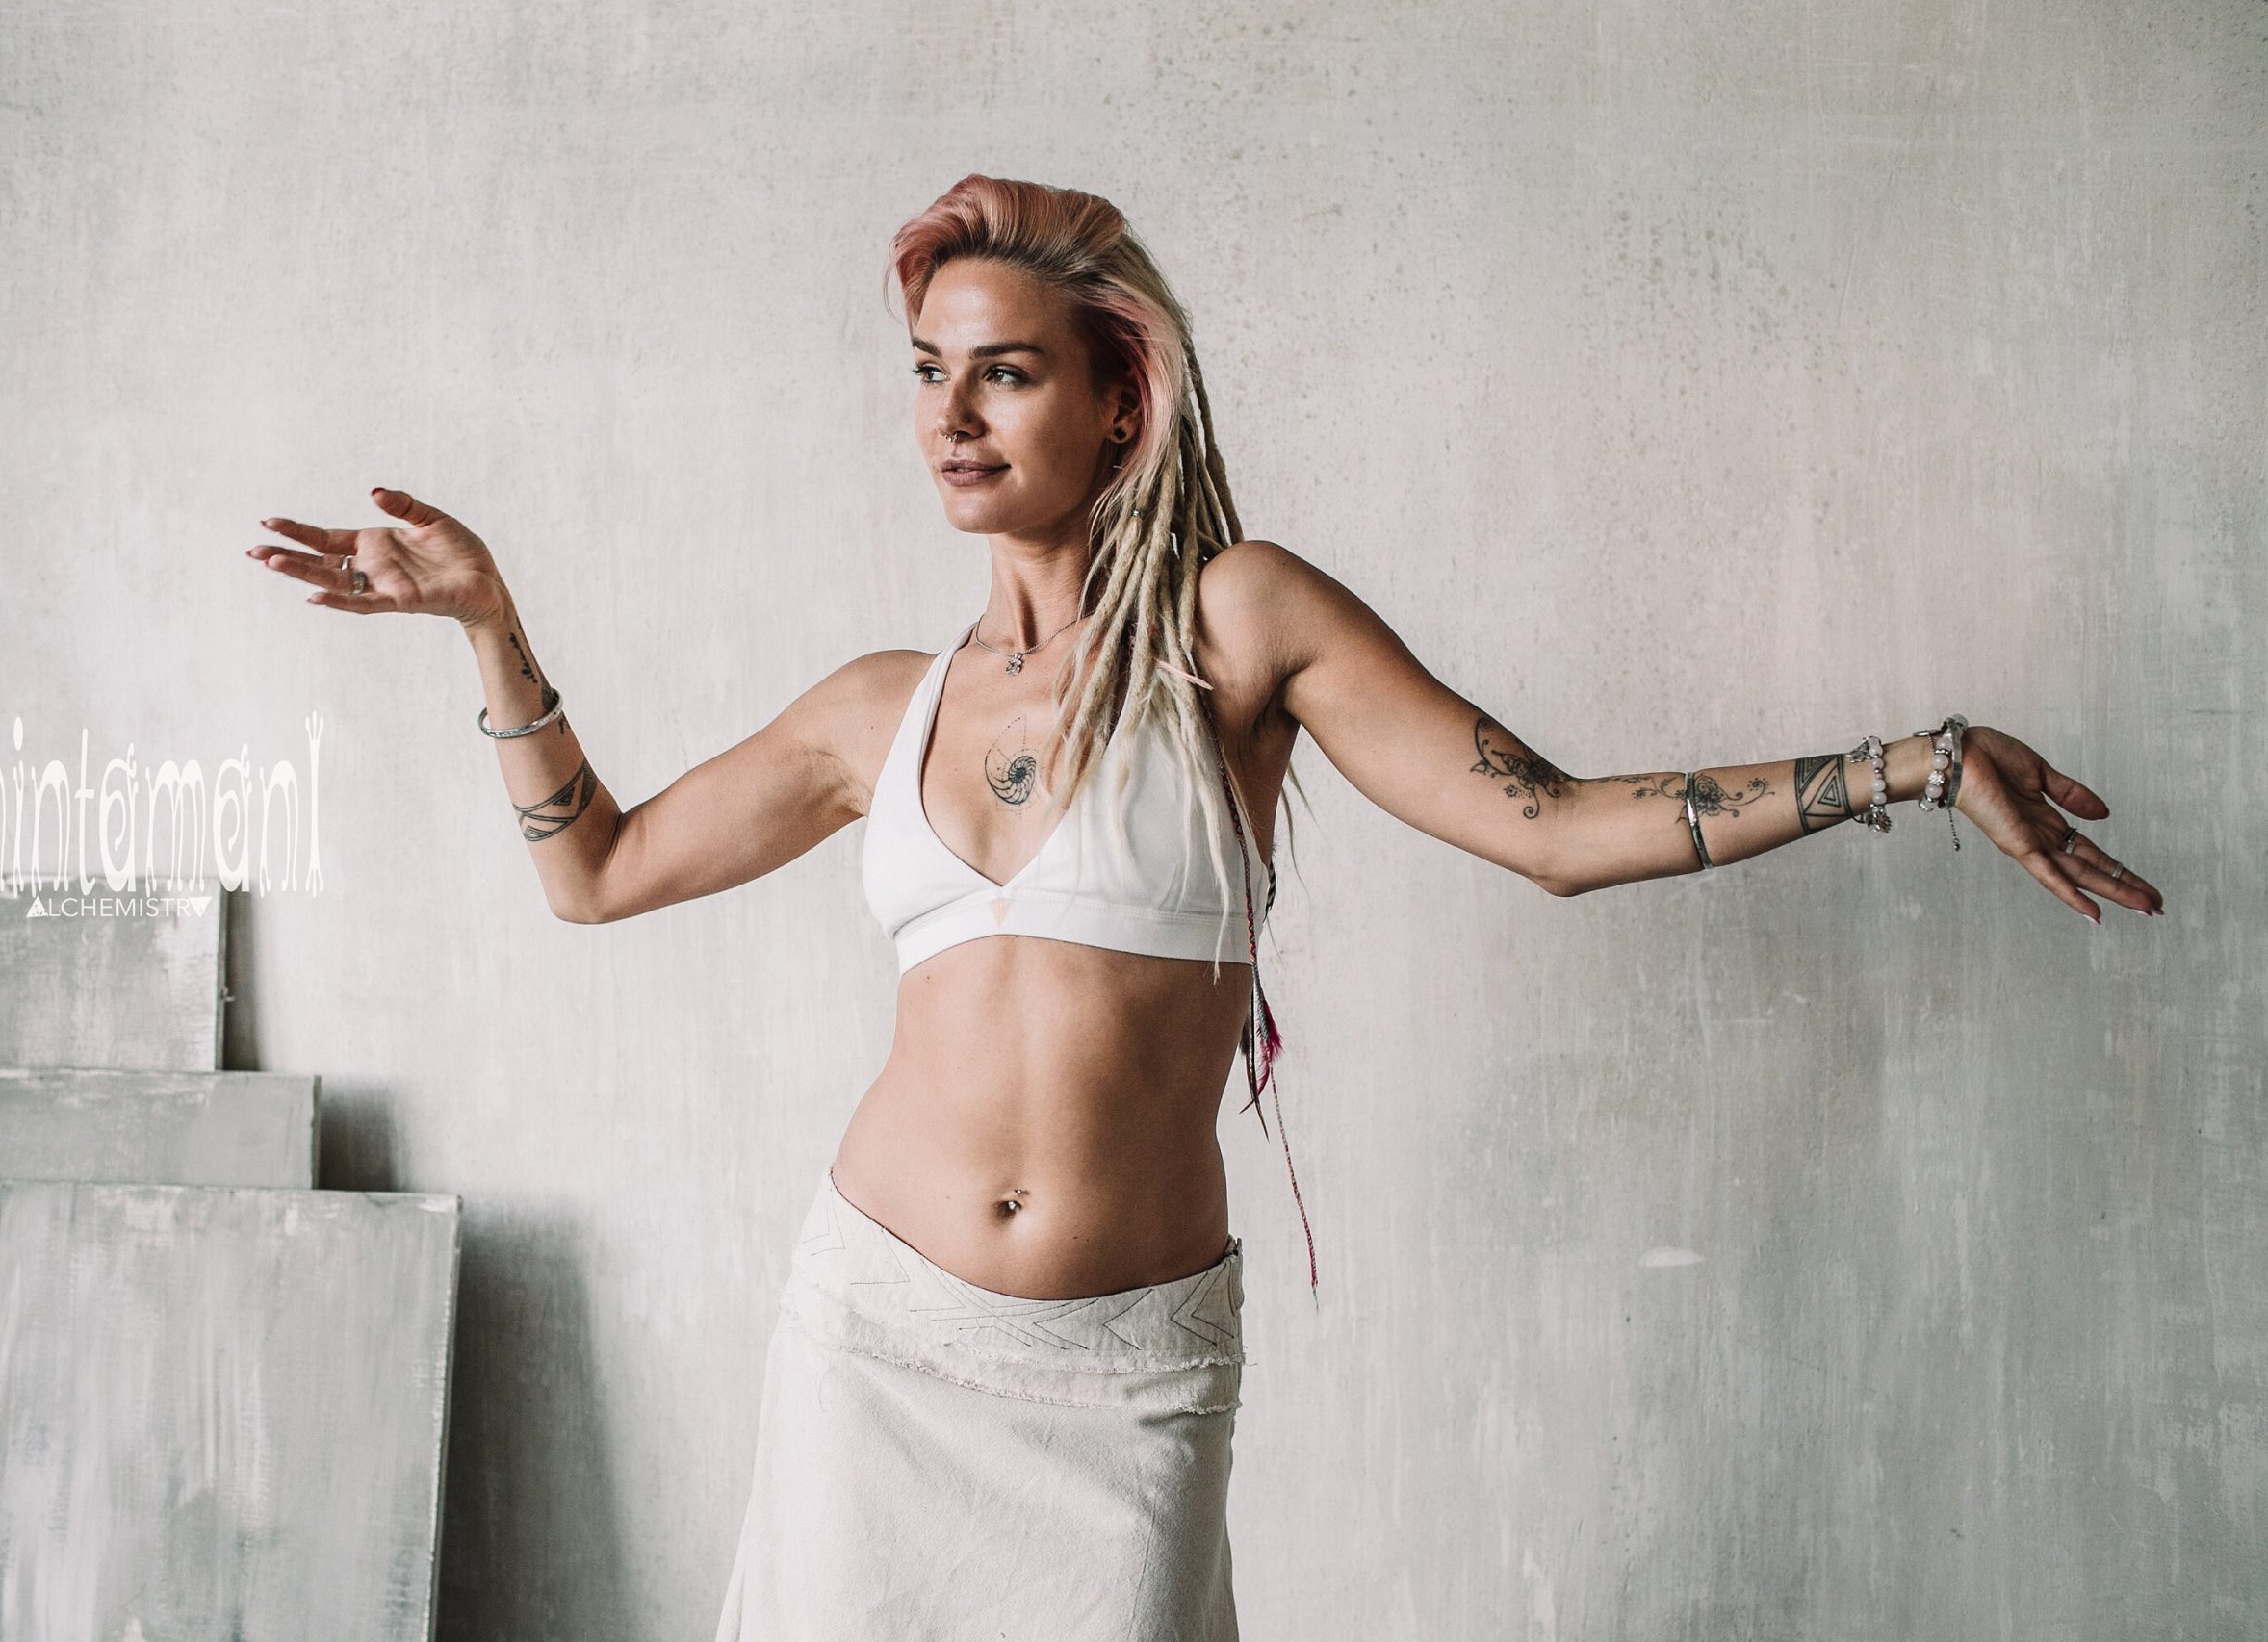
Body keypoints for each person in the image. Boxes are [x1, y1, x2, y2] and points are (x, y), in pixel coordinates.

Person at [246, 173, 2164, 1641]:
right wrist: (488, 624)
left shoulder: (1239, 628)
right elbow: (593, 873)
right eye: (927, 372)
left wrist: (1907, 764)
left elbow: (1555, 828)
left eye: (1005, 370)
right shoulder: (873, 710)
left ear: (1117, 398)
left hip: (1121, 1385)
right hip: (867, 1350)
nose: (951, 414)